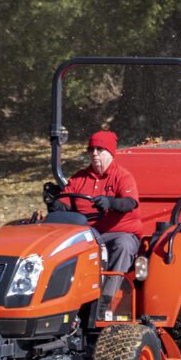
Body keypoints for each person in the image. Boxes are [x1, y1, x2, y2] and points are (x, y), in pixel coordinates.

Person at [51, 129, 143, 316]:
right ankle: (63, 302)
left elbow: (130, 203)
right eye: (91, 149)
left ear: (111, 153)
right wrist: (57, 205)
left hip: (116, 233)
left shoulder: (122, 176)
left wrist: (111, 203)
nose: (94, 154)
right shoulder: (79, 178)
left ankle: (105, 301)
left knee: (123, 244)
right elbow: (65, 200)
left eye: (100, 149)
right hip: (87, 234)